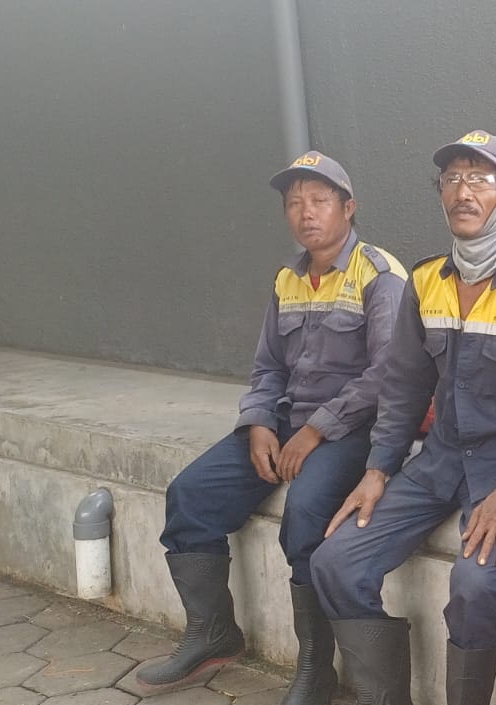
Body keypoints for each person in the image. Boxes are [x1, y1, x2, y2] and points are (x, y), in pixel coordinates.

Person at [310, 130, 496, 705]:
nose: (463, 192)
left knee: (474, 583)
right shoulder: (426, 281)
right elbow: (404, 385)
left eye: (480, 179)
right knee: (334, 560)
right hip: (437, 463)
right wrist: (378, 470)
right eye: (453, 178)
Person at [141, 151, 407, 705]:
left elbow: (389, 374)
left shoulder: (379, 275)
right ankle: (213, 633)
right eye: (294, 202)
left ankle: (316, 669)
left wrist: (317, 430)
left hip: (352, 429)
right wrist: (260, 421)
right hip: (285, 422)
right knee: (191, 495)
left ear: (348, 208)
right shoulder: (288, 278)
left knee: (305, 511)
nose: (305, 213)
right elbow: (267, 368)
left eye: (319, 200)